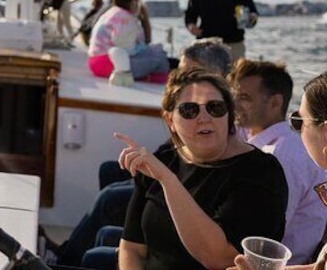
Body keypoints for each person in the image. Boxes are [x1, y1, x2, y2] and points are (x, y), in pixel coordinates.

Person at [53, 39, 234, 268]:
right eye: (180, 70)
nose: (181, 77)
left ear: (217, 74)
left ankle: (61, 261)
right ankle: (68, 252)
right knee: (111, 171)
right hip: (172, 174)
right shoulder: (190, 101)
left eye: (190, 71)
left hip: (185, 192)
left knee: (109, 199)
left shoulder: (219, 118)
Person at [117, 68, 287, 269]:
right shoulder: (164, 158)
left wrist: (168, 180)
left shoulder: (260, 172)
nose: (204, 118)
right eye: (189, 110)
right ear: (170, 120)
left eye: (215, 108)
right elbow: (132, 248)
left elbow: (219, 258)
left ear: (229, 115)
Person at [230, 59, 327, 264]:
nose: (234, 104)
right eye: (234, 96)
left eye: (298, 121)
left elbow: (267, 235)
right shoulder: (258, 144)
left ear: (275, 103)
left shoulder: (280, 158)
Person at [87, 0, 169, 85]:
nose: (139, 3)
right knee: (160, 56)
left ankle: (149, 77)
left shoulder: (112, 12)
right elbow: (127, 49)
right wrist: (145, 49)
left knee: (154, 52)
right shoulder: (125, 18)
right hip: (111, 64)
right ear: (131, 2)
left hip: (96, 62)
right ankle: (154, 80)